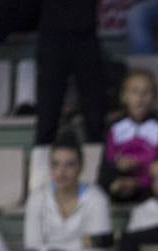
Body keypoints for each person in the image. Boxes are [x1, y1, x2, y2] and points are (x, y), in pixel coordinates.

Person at [33, 0, 106, 144]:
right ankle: (41, 156)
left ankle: (100, 156)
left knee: (95, 116)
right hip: (52, 36)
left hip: (85, 34)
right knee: (47, 116)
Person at [98, 69, 158, 203]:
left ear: (154, 98)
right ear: (124, 96)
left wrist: (139, 182)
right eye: (135, 92)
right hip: (120, 184)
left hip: (150, 187)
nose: (140, 97)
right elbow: (107, 164)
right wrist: (118, 169)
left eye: (146, 92)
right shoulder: (114, 126)